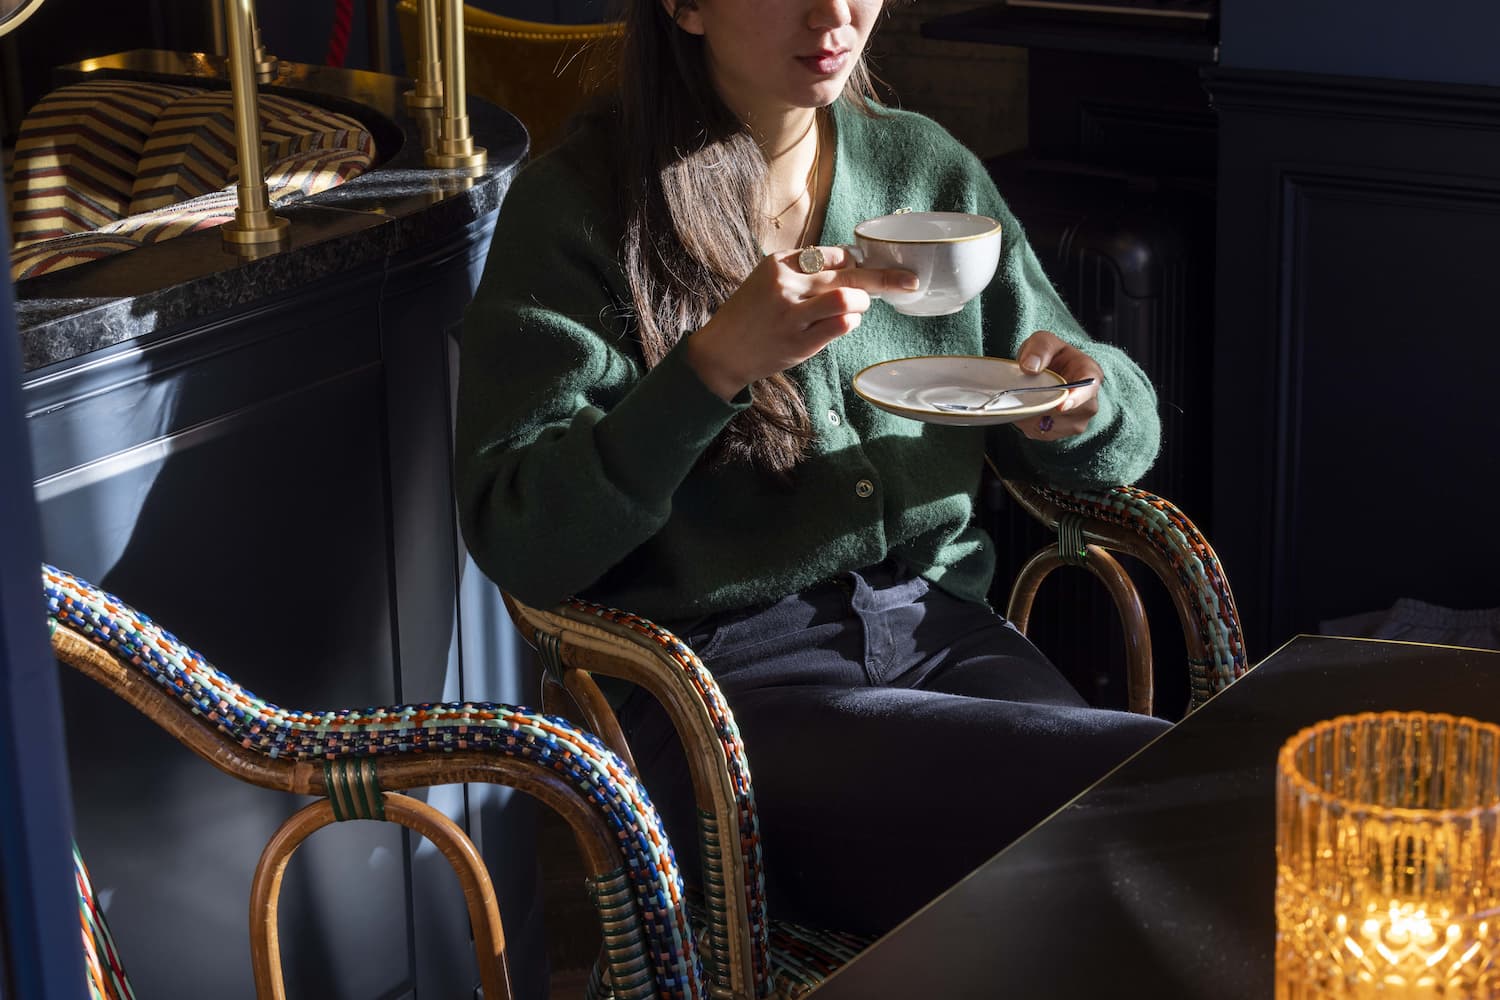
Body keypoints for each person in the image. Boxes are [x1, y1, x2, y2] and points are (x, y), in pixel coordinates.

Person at [455, 0, 1170, 937]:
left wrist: (1082, 400)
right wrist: (711, 368)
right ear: (685, 6)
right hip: (725, 698)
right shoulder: (580, 204)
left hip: (940, 633)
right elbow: (520, 532)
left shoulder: (921, 166)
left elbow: (1113, 419)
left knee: (1161, 809)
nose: (835, 15)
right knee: (1128, 806)